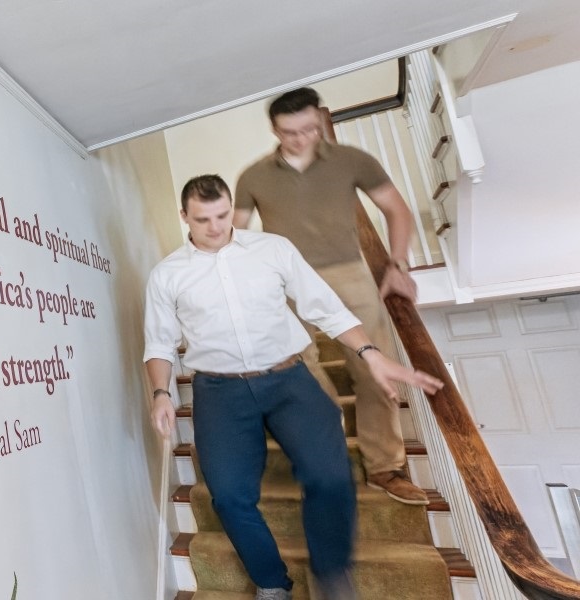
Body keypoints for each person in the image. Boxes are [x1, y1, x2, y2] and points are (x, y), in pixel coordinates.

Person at [145, 175, 443, 600]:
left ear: (231, 208)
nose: (215, 227)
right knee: (229, 497)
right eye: (202, 219)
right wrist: (161, 393)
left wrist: (371, 354)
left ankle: (331, 572)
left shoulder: (273, 250)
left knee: (330, 477)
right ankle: (272, 583)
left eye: (223, 215)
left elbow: (325, 308)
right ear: (184, 217)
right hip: (219, 392)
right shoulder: (167, 275)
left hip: (289, 379)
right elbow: (157, 342)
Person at [233, 86, 428, 506]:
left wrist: (397, 265)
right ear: (274, 129)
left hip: (349, 273)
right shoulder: (253, 177)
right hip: (286, 281)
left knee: (374, 366)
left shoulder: (352, 161)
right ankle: (326, 447)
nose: (301, 139)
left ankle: (385, 467)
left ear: (319, 121)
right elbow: (234, 237)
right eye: (290, 132)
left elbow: (397, 209)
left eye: (309, 129)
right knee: (298, 368)